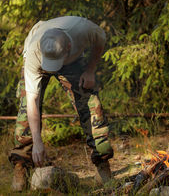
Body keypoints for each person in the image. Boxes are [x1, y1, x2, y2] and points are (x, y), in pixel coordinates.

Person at [9, 16, 114, 191]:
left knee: (91, 106)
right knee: (24, 113)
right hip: (37, 60)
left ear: (69, 47)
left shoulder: (84, 29)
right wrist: (37, 142)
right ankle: (21, 166)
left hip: (71, 63)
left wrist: (90, 70)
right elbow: (32, 101)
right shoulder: (35, 52)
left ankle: (102, 164)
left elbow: (100, 39)